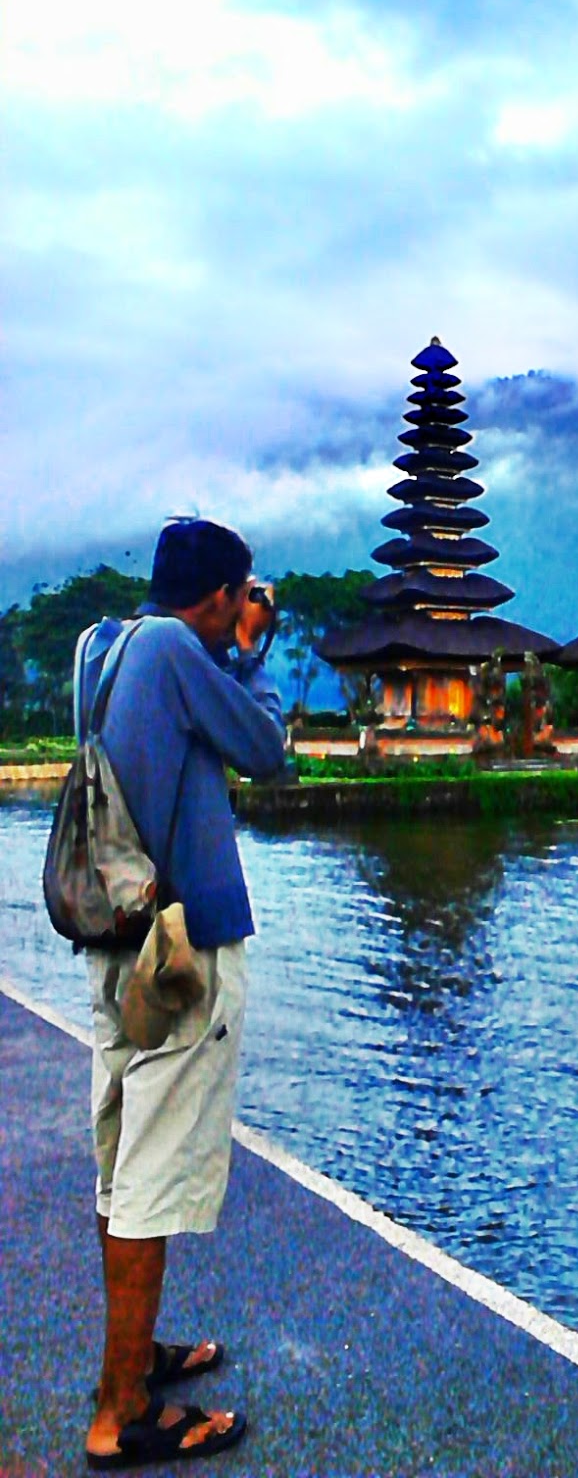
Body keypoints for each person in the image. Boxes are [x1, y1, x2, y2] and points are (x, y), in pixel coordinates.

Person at [75, 518, 286, 1470]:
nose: (248, 607)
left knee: (124, 1168)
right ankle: (123, 1412)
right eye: (243, 595)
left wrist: (225, 650)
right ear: (220, 598)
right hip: (177, 958)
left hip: (117, 945)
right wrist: (255, 650)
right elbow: (266, 745)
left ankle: (133, 1357)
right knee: (153, 1180)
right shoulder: (171, 648)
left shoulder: (111, 646)